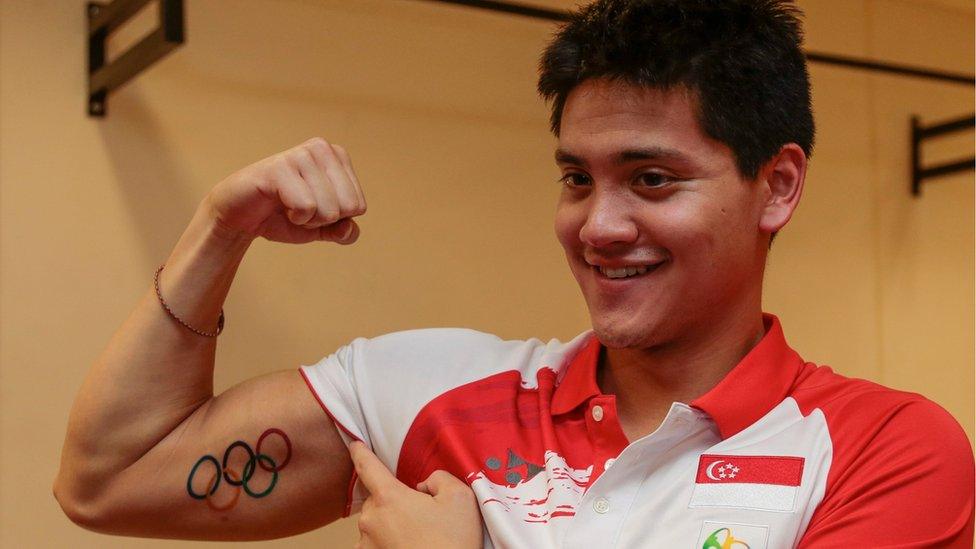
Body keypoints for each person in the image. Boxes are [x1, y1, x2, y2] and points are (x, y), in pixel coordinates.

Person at [54, 0, 974, 547]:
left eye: (651, 179)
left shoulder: (885, 451)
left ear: (776, 185)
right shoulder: (429, 393)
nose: (599, 225)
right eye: (578, 178)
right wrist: (220, 231)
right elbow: (109, 476)